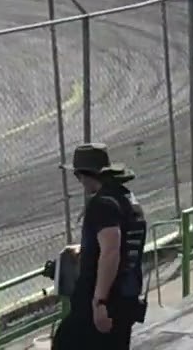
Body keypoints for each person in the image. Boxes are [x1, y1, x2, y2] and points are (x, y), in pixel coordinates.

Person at [52, 144, 148, 349]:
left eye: (78, 175)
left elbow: (111, 251)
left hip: (103, 301)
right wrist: (85, 251)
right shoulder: (127, 199)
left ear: (84, 175)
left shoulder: (103, 204)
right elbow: (121, 245)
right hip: (126, 299)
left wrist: (100, 302)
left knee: (64, 342)